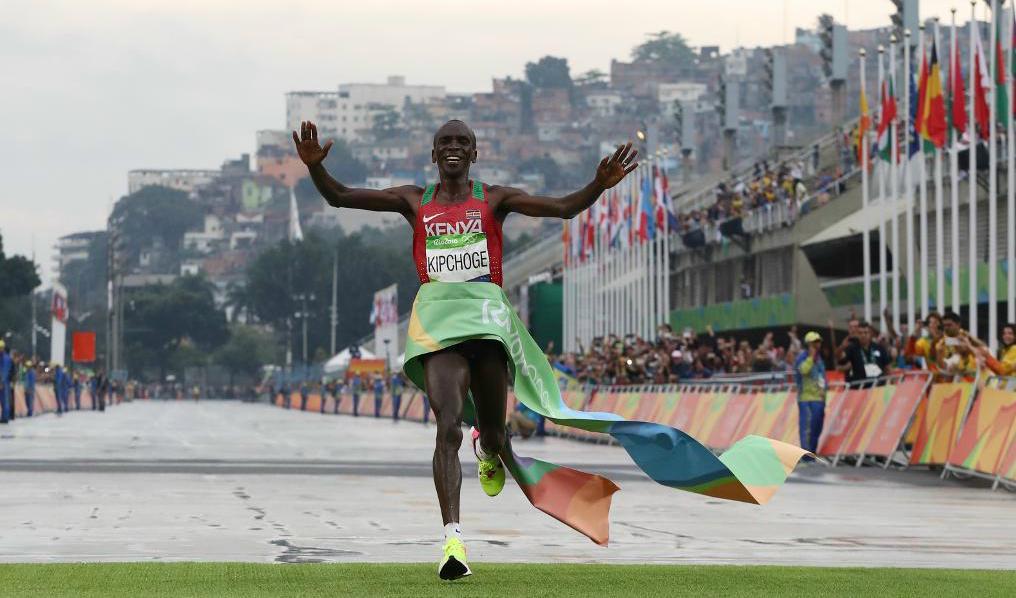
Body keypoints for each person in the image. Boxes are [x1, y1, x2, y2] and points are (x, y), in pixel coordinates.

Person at [295, 118, 805, 581]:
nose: (453, 148)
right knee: (446, 425)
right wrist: (318, 170)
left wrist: (597, 186)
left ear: (474, 153)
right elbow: (341, 196)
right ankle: (453, 542)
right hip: (436, 326)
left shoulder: (493, 199)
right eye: (444, 143)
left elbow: (561, 209)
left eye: (462, 143)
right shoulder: (414, 200)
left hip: (487, 324)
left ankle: (491, 446)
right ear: (433, 155)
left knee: (493, 431)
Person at [794, 332, 827, 454]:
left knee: (817, 426)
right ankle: (806, 455)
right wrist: (810, 358)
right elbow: (803, 371)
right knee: (807, 427)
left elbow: (822, 378)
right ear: (808, 344)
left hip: (819, 398)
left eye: (819, 341)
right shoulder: (801, 358)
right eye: (815, 342)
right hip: (805, 398)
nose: (818, 344)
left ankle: (813, 451)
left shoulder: (820, 359)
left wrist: (824, 393)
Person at [0, 341, 11, 423]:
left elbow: (5, 371)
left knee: (5, 401)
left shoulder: (6, 358)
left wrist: (1, 382)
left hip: (3, 383)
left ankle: (5, 417)